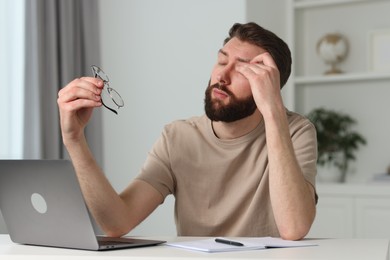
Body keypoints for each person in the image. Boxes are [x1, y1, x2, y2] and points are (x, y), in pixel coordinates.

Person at [57, 22, 317, 241]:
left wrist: (273, 111)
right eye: (221, 61)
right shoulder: (178, 137)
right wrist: (74, 139)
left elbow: (293, 228)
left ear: (270, 84)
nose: (222, 76)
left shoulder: (295, 131)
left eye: (242, 69)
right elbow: (117, 222)